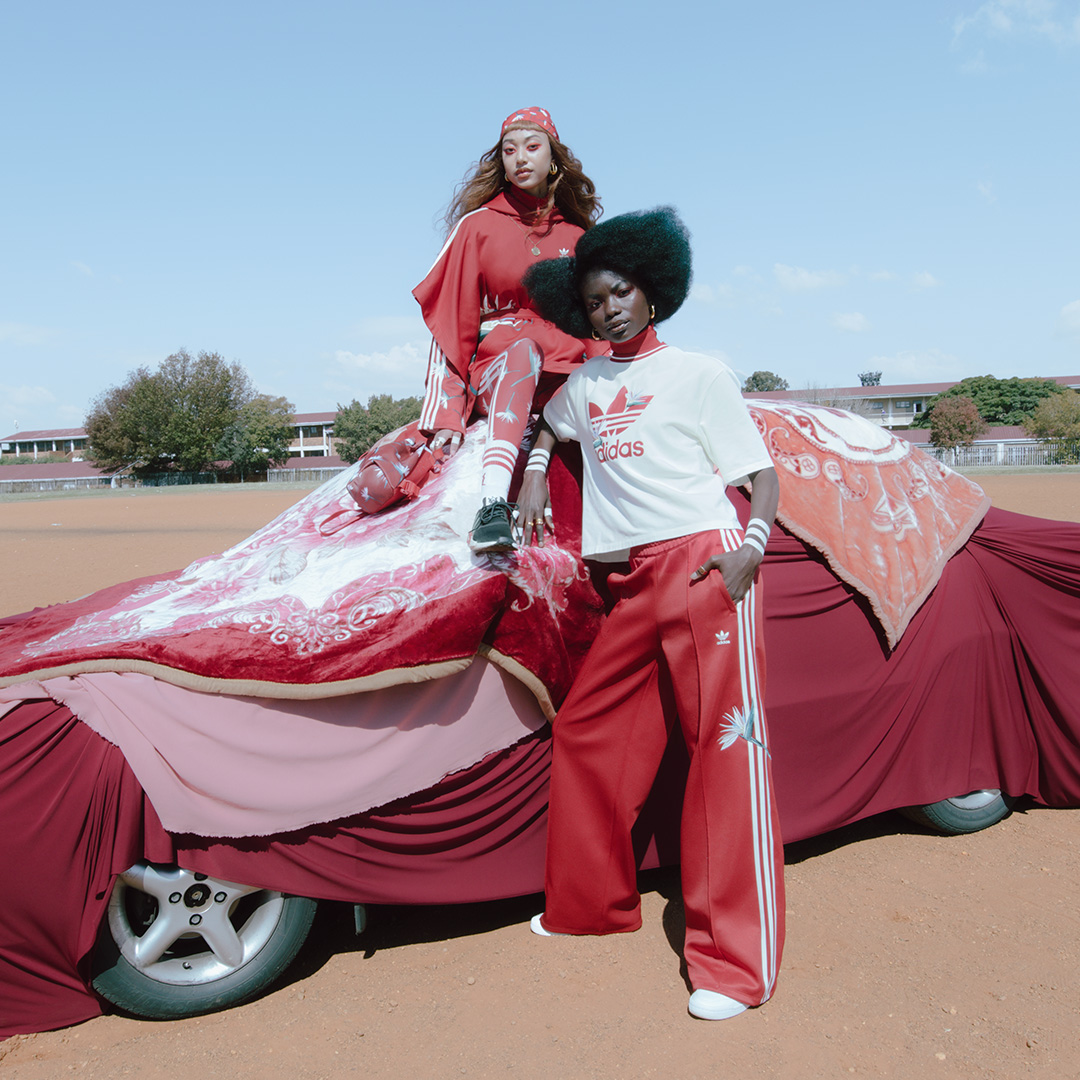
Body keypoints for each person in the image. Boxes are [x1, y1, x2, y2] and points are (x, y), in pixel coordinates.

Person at [517, 207, 785, 1021]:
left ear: (654, 288)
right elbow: (549, 428)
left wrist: (755, 546)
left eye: (623, 291)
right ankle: (591, 908)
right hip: (631, 583)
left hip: (707, 567)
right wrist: (532, 467)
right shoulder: (586, 386)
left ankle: (735, 966)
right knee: (589, 730)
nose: (611, 309)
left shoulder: (699, 372)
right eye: (594, 300)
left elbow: (760, 475)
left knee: (722, 759)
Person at [413, 107, 602, 553]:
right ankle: (493, 506)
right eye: (509, 150)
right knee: (524, 349)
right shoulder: (476, 227)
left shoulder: (578, 237)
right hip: (505, 362)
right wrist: (446, 412)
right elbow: (451, 322)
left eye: (532, 147)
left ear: (553, 157)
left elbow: (598, 324)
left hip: (565, 367)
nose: (520, 158)